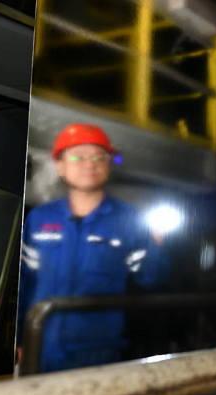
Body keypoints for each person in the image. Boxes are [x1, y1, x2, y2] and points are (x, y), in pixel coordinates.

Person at [17, 124, 170, 373]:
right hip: (39, 348)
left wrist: (155, 248)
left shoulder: (129, 219)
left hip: (98, 353)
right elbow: (23, 282)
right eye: (77, 157)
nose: (90, 164)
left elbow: (152, 279)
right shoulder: (39, 218)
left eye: (99, 157)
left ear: (109, 165)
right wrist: (18, 339)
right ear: (60, 165)